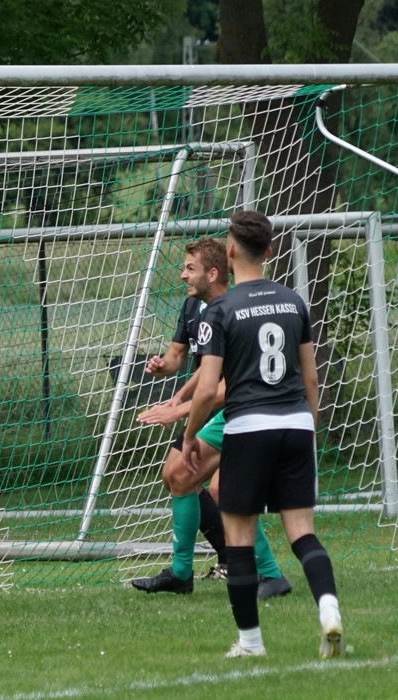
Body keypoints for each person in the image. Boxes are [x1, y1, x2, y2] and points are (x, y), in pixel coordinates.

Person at [183, 211, 342, 659]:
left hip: (249, 427)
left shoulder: (219, 310)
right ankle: (329, 609)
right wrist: (310, 426)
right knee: (303, 533)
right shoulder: (294, 301)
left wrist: (190, 436)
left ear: (231, 251)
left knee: (238, 539)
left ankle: (251, 643)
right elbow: (310, 378)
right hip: (295, 423)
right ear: (269, 251)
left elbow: (208, 389)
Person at [131, 239, 291, 600]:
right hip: (233, 407)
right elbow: (204, 368)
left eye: (190, 268)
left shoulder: (232, 310)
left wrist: (179, 410)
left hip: (247, 407)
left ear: (214, 272)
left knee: (208, 484)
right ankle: (187, 572)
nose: (182, 275)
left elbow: (228, 384)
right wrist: (179, 392)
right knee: (180, 476)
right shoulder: (202, 308)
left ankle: (261, 572)